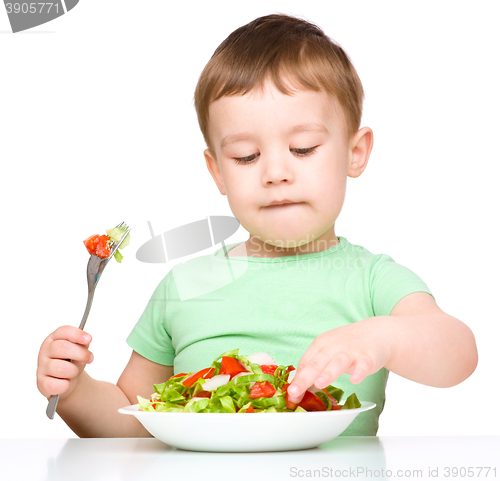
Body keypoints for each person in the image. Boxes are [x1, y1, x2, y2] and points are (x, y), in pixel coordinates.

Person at [36, 13, 478, 437]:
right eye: (246, 156)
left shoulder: (372, 280)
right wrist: (75, 393)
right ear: (217, 173)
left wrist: (384, 338)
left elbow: (458, 353)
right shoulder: (183, 286)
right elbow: (133, 420)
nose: (275, 172)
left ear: (355, 152)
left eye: (303, 148)